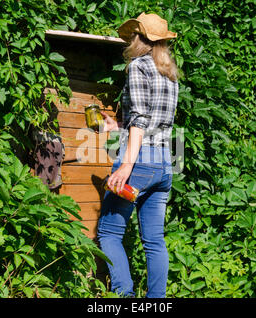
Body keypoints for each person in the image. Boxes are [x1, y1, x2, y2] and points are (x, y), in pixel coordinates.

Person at [96, 12, 179, 298]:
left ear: (140, 40)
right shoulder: (169, 74)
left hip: (140, 160)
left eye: (133, 35)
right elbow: (153, 121)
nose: (129, 40)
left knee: (108, 233)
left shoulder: (138, 67)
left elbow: (142, 121)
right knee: (155, 241)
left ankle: (124, 296)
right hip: (164, 162)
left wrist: (125, 167)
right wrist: (116, 125)